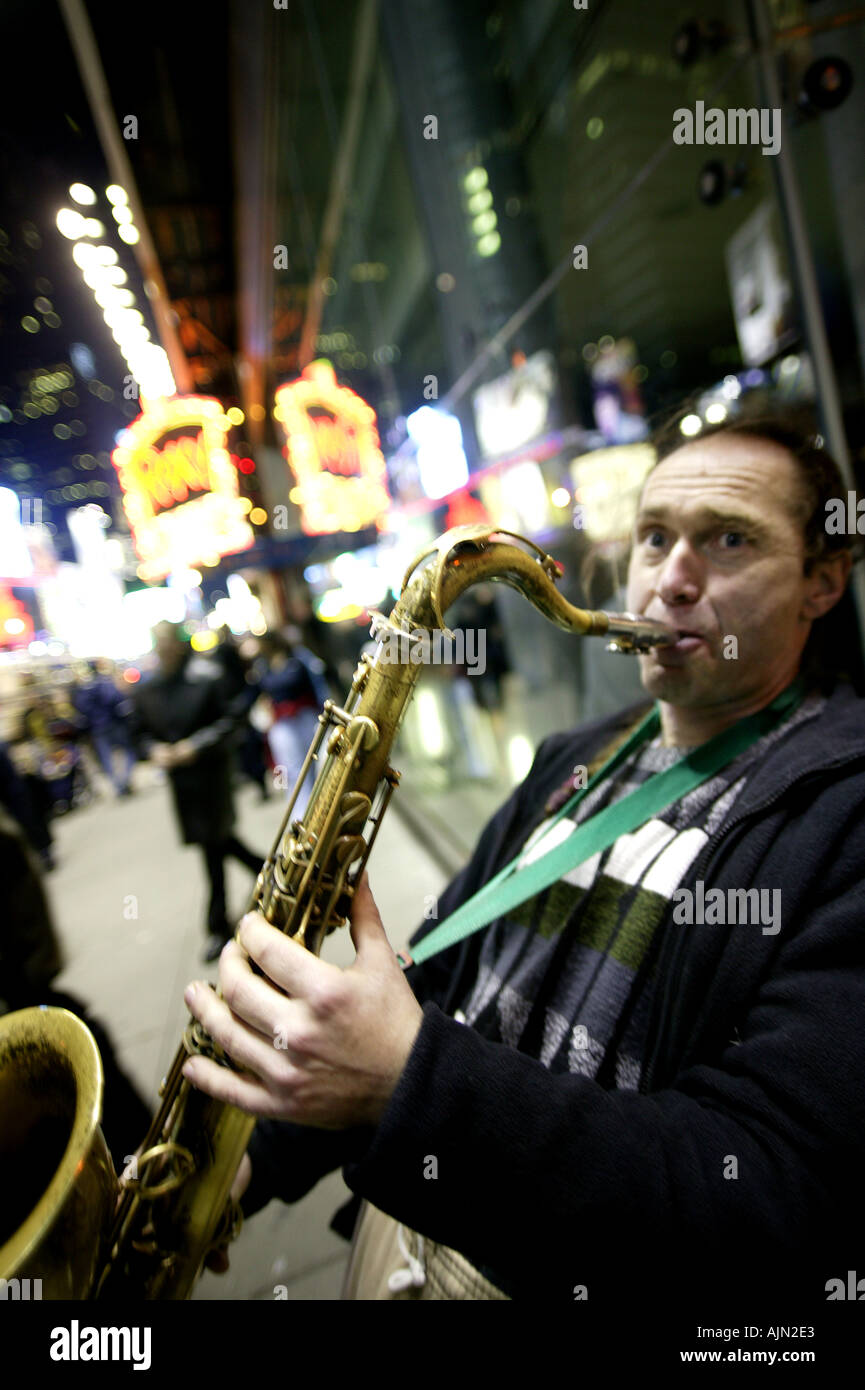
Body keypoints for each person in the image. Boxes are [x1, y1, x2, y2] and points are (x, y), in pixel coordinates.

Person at [180, 409, 865, 1309]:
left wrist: (409, 1086)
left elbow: (769, 1194)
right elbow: (429, 983)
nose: (671, 580)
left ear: (823, 581)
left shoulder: (845, 812)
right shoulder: (573, 757)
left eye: (728, 541)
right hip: (412, 1236)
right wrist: (252, 1163)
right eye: (653, 537)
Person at [132, 623, 264, 963]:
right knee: (217, 842)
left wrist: (196, 746)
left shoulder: (207, 677)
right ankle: (266, 871)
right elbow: (139, 733)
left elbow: (232, 719)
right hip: (183, 783)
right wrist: (155, 751)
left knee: (213, 845)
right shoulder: (150, 690)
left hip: (212, 776)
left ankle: (217, 923)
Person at [72, 660, 136, 797]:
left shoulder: (84, 688)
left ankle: (119, 785)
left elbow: (81, 709)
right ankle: (125, 781)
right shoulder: (105, 683)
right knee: (128, 751)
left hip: (98, 728)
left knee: (106, 758)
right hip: (114, 723)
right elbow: (117, 700)